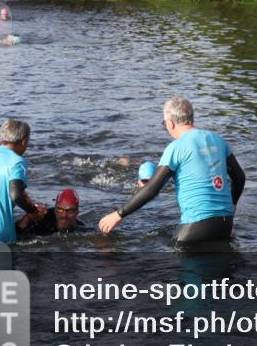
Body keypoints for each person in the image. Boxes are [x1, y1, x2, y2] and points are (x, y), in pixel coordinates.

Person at [99, 96, 246, 248]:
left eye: (164, 123)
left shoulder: (176, 147)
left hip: (196, 225)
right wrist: (232, 205)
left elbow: (152, 189)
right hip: (225, 224)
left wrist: (119, 214)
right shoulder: (217, 139)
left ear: (170, 123)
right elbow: (239, 177)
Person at [17, 188, 86, 236]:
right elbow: (16, 233)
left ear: (77, 212)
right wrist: (28, 217)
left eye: (70, 211)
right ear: (55, 209)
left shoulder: (82, 229)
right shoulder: (44, 219)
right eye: (60, 210)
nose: (64, 215)